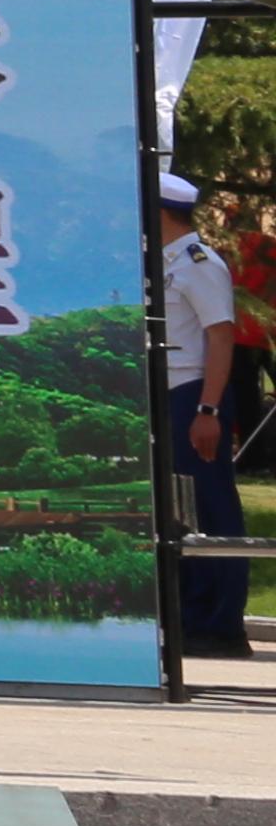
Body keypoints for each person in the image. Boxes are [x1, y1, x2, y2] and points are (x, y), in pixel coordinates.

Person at [168, 171, 250, 662]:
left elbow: (221, 337)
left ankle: (222, 626)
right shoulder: (165, 262)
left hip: (194, 394)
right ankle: (191, 615)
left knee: (214, 509)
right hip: (169, 395)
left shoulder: (198, 263)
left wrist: (208, 409)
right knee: (182, 513)